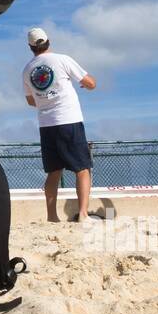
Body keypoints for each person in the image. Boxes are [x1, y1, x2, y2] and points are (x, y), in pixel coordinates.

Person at [22, 27, 96, 222]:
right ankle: (83, 214)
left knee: (54, 172)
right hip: (68, 119)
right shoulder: (62, 59)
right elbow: (91, 83)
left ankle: (52, 217)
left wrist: (45, 97)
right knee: (82, 169)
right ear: (48, 41)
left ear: (30, 47)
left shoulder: (27, 69)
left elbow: (30, 101)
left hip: (46, 125)